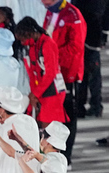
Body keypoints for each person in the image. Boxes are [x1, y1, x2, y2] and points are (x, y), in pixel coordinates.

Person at [41, 0, 86, 164]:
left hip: (67, 74)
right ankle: (54, 152)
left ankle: (66, 157)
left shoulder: (73, 15)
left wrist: (51, 55)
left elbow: (76, 47)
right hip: (52, 72)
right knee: (54, 114)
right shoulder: (50, 12)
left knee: (68, 114)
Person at [15, 18, 66, 126]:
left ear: (29, 33)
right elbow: (32, 74)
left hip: (53, 91)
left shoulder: (48, 44)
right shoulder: (32, 47)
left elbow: (50, 73)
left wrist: (35, 94)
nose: (22, 43)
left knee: (49, 129)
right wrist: (34, 95)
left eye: (23, 39)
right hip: (41, 91)